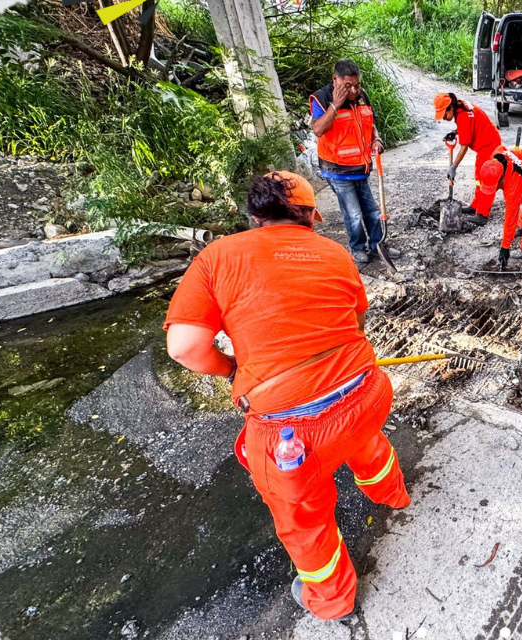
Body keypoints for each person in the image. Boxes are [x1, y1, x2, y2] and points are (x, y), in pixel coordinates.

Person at [163, 171, 410, 621]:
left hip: (292, 432)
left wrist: (232, 368)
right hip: (368, 391)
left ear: (255, 215)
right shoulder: (335, 253)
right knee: (367, 441)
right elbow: (356, 323)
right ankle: (392, 495)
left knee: (305, 520)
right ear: (311, 215)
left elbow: (184, 348)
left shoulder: (218, 256)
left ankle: (334, 602)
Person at [310, 59, 401, 265]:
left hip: (361, 167)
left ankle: (378, 245)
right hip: (337, 170)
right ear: (335, 80)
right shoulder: (322, 98)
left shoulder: (362, 96)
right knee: (353, 213)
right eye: (347, 86)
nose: (353, 91)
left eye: (357, 85)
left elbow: (371, 123)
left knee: (372, 211)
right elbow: (318, 129)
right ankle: (358, 248)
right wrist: (335, 104)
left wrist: (376, 139)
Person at [435, 92, 503, 227]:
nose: (443, 118)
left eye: (444, 115)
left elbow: (464, 147)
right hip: (486, 144)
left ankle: (482, 214)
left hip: (489, 146)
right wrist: (455, 132)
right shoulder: (461, 106)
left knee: (486, 180)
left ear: (450, 108)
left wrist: (454, 166)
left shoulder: (463, 116)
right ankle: (476, 206)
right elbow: (469, 125)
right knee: (479, 177)